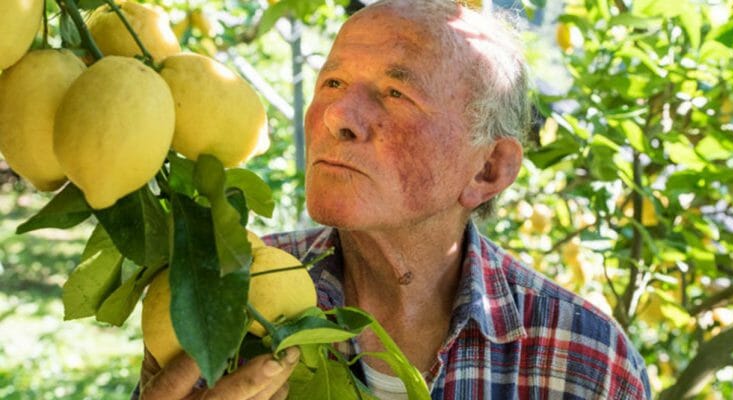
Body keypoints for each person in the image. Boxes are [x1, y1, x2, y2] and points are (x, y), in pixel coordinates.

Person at [137, 0, 651, 398]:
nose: (337, 116)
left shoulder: (585, 360)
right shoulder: (228, 285)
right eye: (332, 81)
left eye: (395, 93)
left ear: (488, 169)